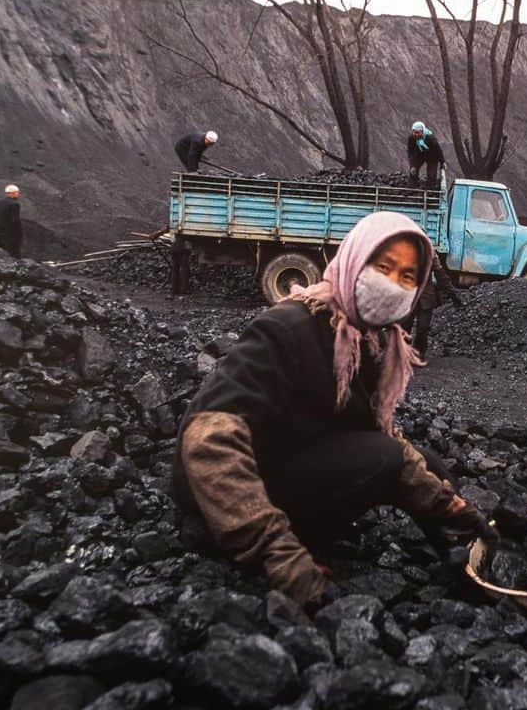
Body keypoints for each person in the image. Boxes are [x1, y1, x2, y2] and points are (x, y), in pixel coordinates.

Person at [173, 211, 497, 611]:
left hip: (292, 458)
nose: (393, 284)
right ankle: (286, 539)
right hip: (222, 504)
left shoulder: (368, 340)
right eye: (383, 267)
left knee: (420, 460)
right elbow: (209, 441)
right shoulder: (289, 328)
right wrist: (279, 555)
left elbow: (377, 430)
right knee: (387, 457)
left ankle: (471, 555)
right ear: (354, 259)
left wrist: (453, 507)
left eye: (408, 277)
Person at [403, 252, 463, 365]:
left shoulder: (430, 253)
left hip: (426, 297)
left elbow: (440, 275)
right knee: (405, 326)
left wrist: (453, 293)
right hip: (408, 295)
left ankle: (418, 354)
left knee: (423, 327)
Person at [0, 184, 23, 258]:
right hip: (10, 233)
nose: (18, 194)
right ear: (13, 193)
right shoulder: (15, 204)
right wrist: (19, 234)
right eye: (17, 192)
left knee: (1, 250)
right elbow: (15, 220)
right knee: (14, 252)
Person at [407, 121, 445, 186]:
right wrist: (412, 165)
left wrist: (442, 162)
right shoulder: (411, 138)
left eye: (417, 133)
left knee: (432, 175)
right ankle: (412, 188)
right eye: (414, 132)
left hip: (432, 156)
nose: (415, 134)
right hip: (419, 154)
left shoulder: (430, 138)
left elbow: (438, 150)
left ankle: (430, 190)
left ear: (422, 131)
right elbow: (410, 151)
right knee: (413, 172)